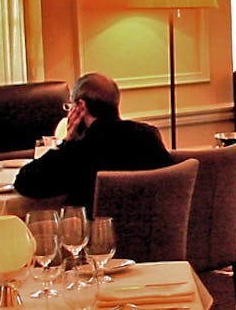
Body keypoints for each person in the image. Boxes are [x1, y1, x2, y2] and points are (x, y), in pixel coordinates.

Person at [12, 73, 172, 208]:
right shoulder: (149, 135)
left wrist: (67, 141)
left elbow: (26, 182)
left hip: (100, 238)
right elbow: (172, 182)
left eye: (71, 106)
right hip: (153, 236)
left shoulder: (82, 149)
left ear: (81, 106)